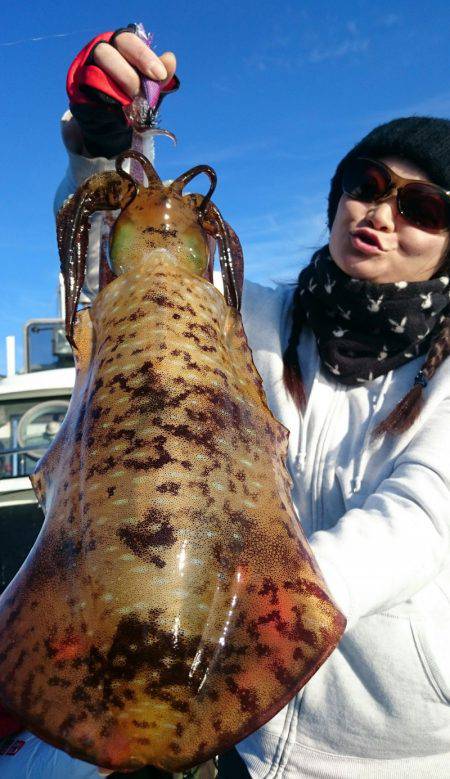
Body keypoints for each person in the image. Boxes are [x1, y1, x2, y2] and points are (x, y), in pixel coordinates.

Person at [8, 25, 450, 779]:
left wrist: (262, 628)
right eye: (368, 185)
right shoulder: (249, 316)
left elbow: (420, 517)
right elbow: (118, 288)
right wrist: (101, 146)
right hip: (240, 743)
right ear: (338, 196)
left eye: (424, 206)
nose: (380, 213)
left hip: (388, 752)